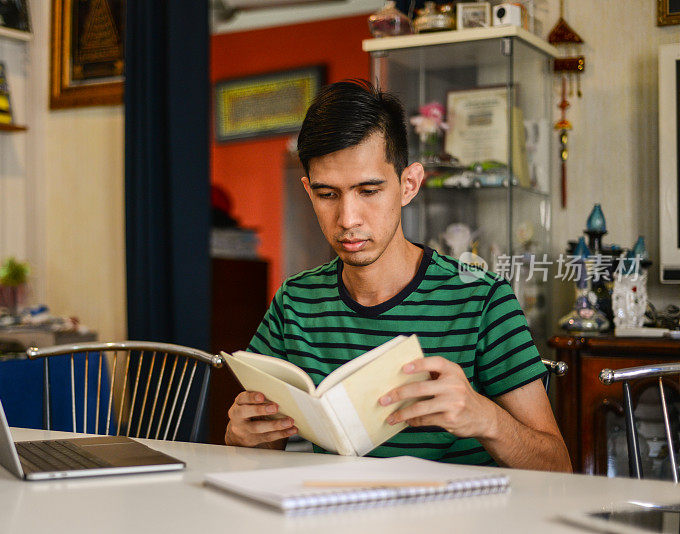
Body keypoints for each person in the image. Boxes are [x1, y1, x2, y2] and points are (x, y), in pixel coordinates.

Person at [224, 79, 571, 472]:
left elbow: (558, 467)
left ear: (409, 185)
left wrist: (486, 419)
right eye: (327, 194)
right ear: (309, 191)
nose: (348, 219)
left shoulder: (483, 300)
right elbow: (258, 456)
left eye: (369, 191)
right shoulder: (295, 302)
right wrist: (242, 439)